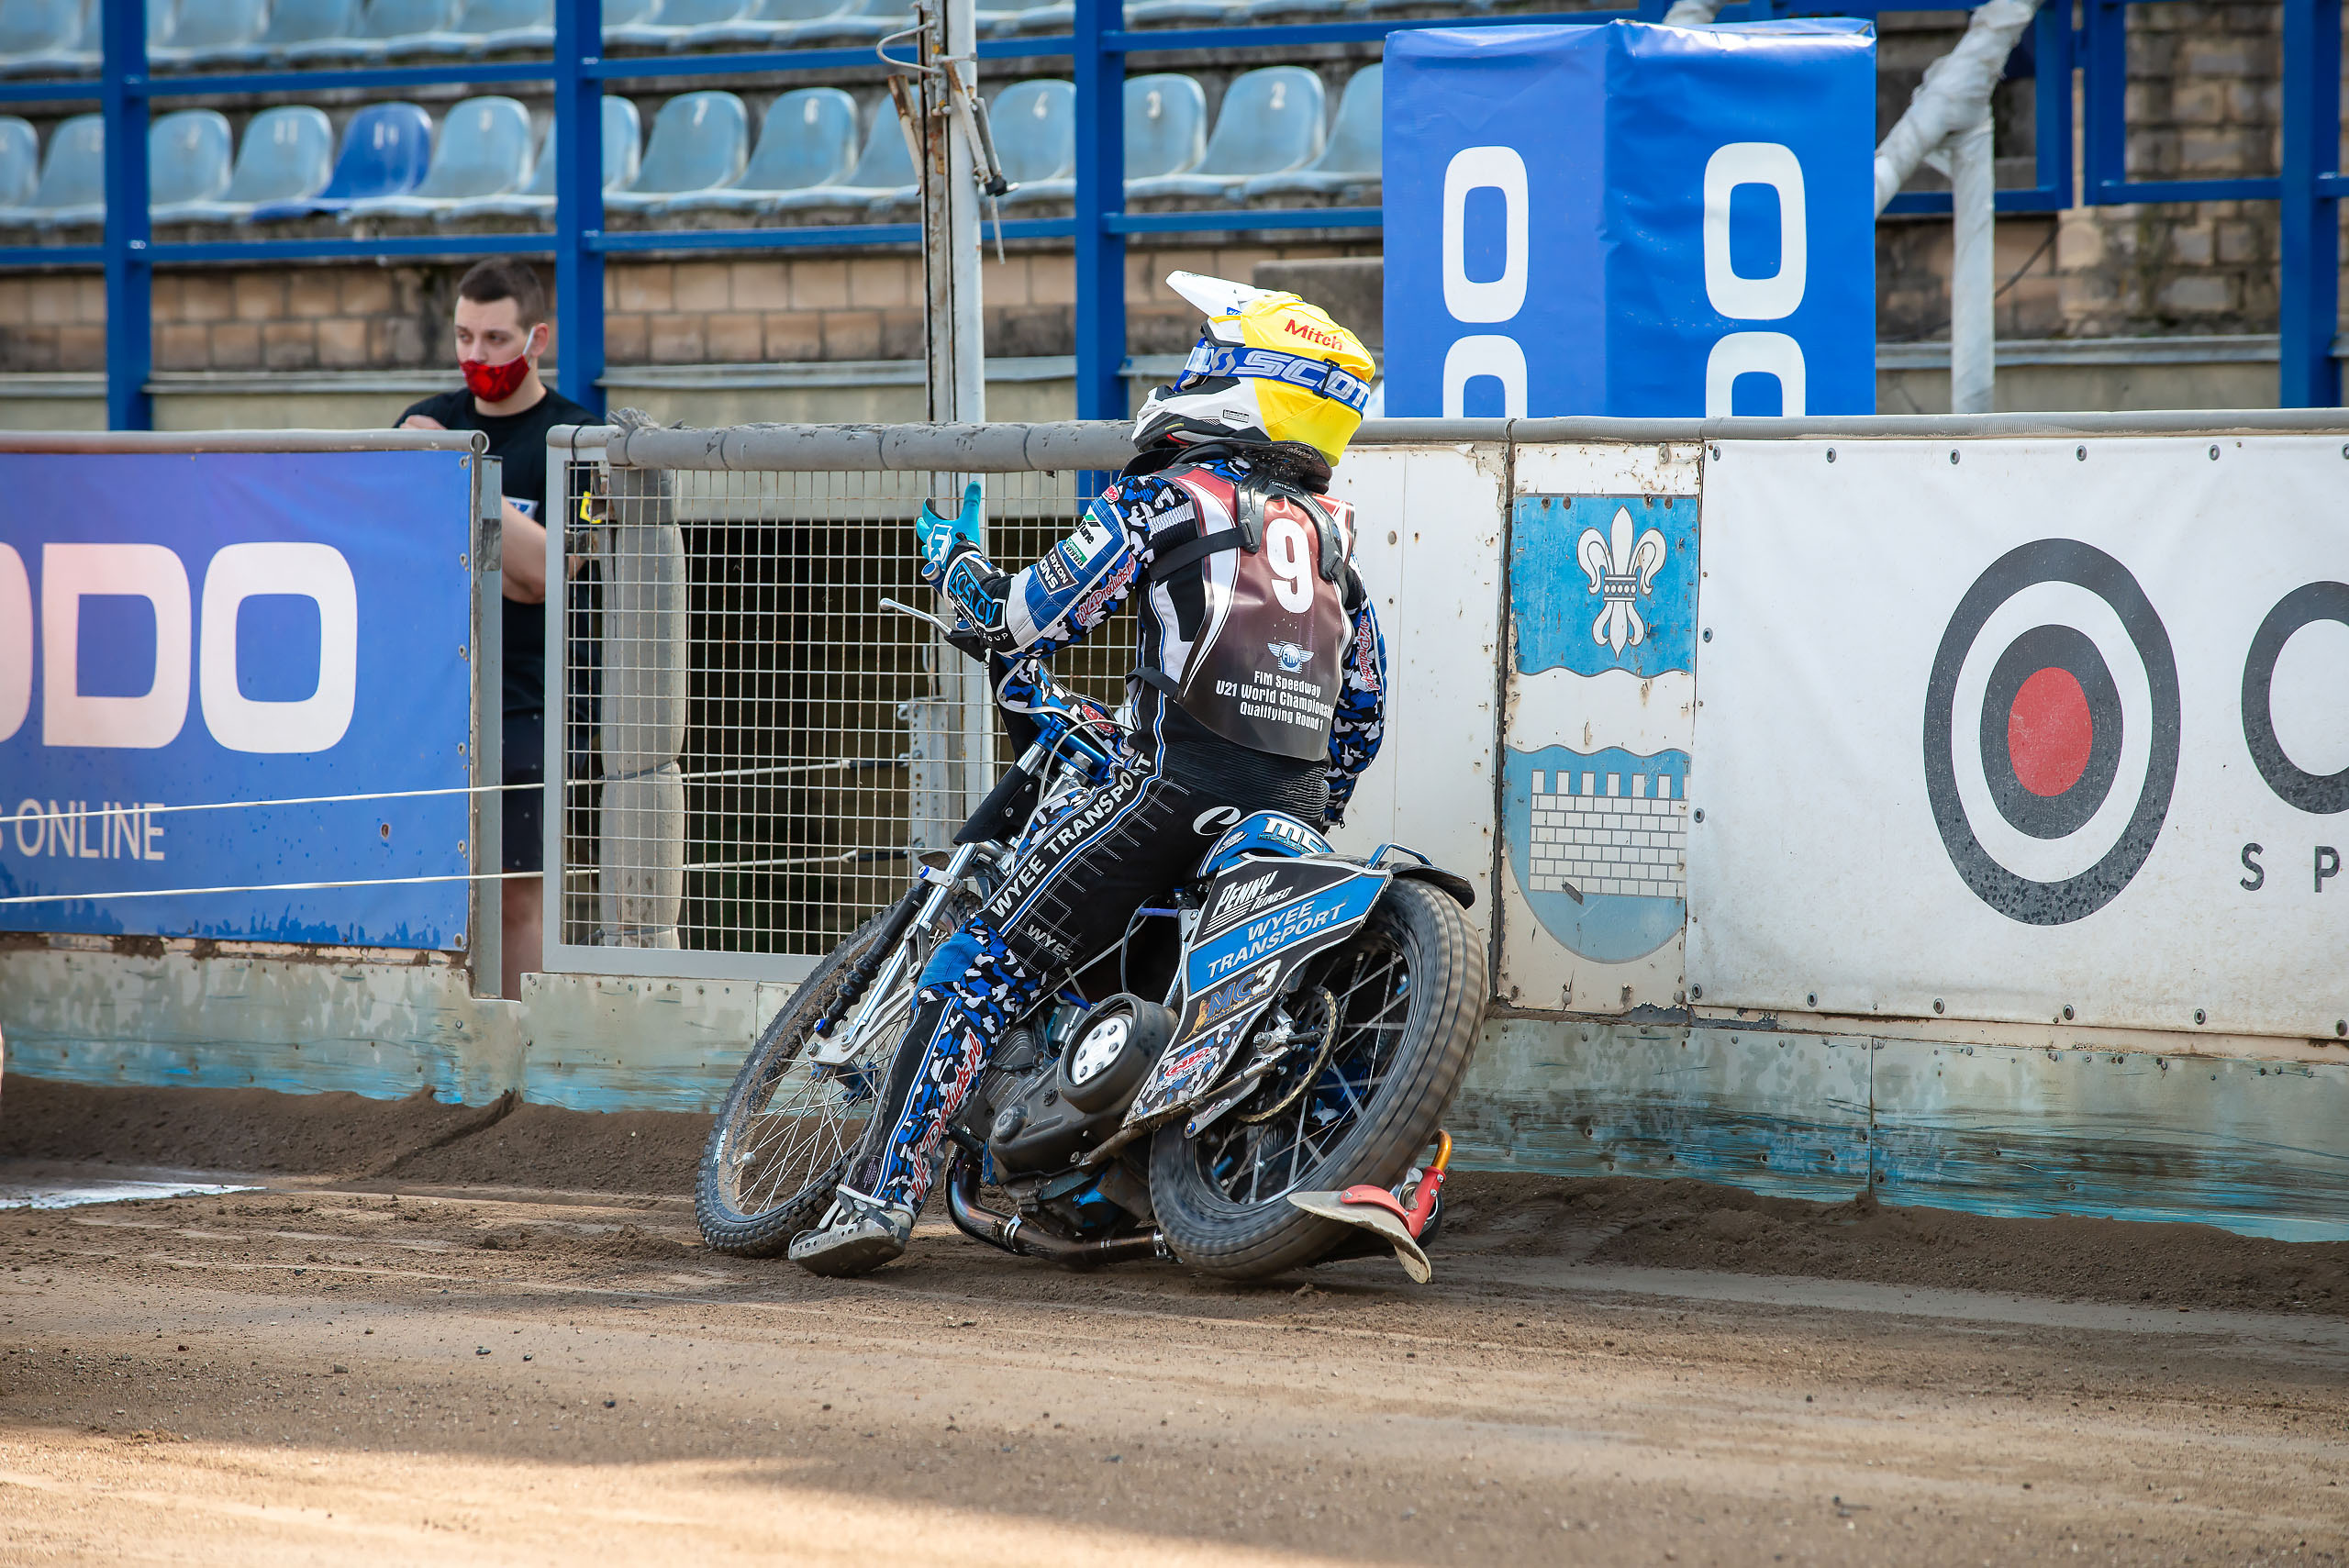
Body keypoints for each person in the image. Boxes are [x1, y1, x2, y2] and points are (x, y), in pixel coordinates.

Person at [790, 271, 1387, 1276]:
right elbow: (1361, 712)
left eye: (1204, 358)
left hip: (1166, 788)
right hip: (1285, 813)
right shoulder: (1332, 539)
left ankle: (874, 1198)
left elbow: (1017, 617)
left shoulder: (1168, 496)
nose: (1185, 374)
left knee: (980, 961)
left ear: (1239, 381)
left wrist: (953, 565)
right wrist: (1309, 803)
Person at [396, 260, 595, 999]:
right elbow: (409, 560)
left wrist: (455, 473)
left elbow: (549, 576)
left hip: (528, 704)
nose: (476, 356)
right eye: (463, 337)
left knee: (517, 895)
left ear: (536, 338)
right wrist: (507, 558)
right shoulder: (426, 415)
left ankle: (520, 1065)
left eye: (496, 337)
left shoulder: (576, 438)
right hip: (433, 701)